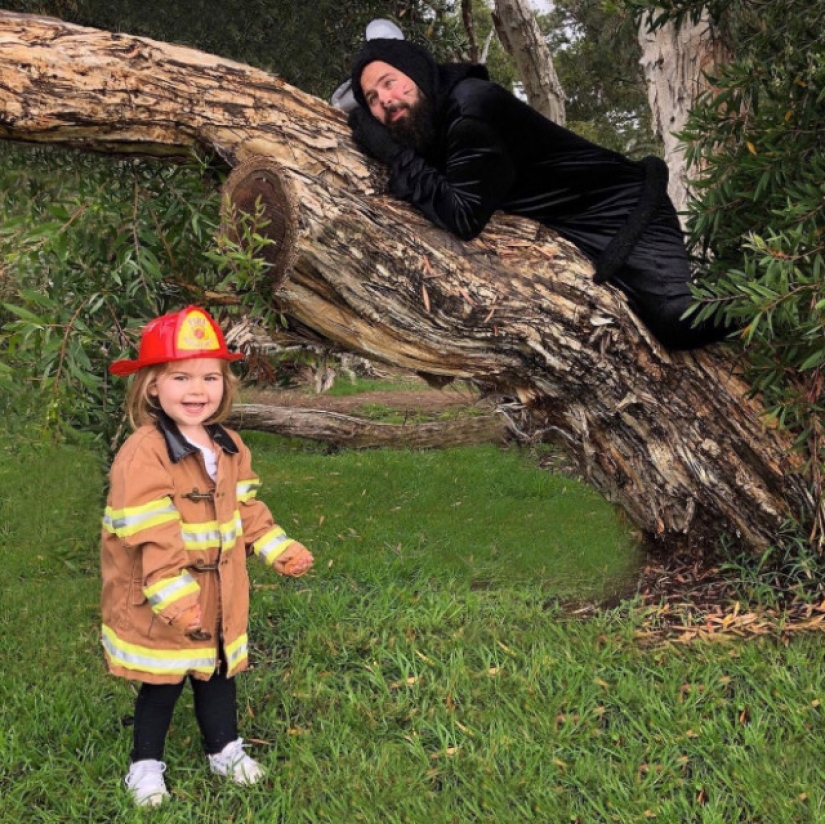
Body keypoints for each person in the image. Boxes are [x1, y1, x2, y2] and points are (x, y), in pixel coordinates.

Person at [346, 36, 732, 351]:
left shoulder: (472, 111)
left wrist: (394, 154)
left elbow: (463, 217)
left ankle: (780, 295)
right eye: (373, 101)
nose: (386, 101)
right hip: (578, 225)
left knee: (676, 322)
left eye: (390, 82)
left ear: (416, 73)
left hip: (626, 210)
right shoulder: (432, 118)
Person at [101, 305, 314, 807]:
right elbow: (150, 531)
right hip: (165, 598)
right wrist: (174, 594)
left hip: (219, 596)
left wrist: (275, 547)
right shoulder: (144, 452)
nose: (197, 390)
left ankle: (225, 748)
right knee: (164, 681)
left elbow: (244, 507)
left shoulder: (230, 446)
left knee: (218, 673)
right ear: (153, 386)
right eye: (181, 377)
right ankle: (146, 765)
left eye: (209, 377)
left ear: (225, 384)